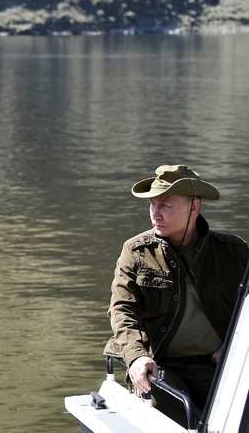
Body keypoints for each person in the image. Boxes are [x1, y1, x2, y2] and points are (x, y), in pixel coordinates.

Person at [104, 164, 249, 425]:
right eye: (152, 205)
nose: (155, 214)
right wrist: (137, 357)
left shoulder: (233, 252)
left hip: (219, 365)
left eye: (166, 206)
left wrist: (234, 349)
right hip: (160, 365)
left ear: (194, 207)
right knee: (177, 419)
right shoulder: (136, 252)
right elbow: (122, 310)